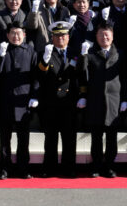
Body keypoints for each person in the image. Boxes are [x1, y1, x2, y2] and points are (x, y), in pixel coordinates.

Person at [80, 24, 127, 178]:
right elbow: (82, 74)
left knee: (112, 137)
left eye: (107, 35)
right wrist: (83, 57)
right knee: (96, 137)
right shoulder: (90, 53)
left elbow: (125, 78)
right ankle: (96, 166)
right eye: (101, 34)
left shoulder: (119, 54)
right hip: (95, 100)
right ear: (96, 37)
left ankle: (109, 166)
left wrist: (125, 99)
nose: (104, 37)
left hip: (114, 101)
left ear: (112, 36)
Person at [38, 21, 84, 178]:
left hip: (70, 102)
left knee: (69, 138)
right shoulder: (46, 53)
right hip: (51, 102)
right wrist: (45, 60)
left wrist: (83, 95)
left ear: (68, 37)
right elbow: (40, 76)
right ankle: (49, 168)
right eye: (57, 36)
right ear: (52, 38)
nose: (60, 38)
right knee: (51, 138)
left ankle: (69, 168)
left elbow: (81, 76)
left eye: (63, 35)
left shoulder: (75, 53)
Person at [0, 23, 39, 179]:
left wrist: (34, 95)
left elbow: (35, 77)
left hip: (23, 101)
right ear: (7, 35)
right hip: (5, 100)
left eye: (19, 33)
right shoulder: (2, 50)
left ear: (24, 34)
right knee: (4, 139)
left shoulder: (31, 51)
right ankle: (4, 168)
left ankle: (23, 168)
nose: (16, 36)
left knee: (23, 138)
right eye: (12, 33)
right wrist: (1, 56)